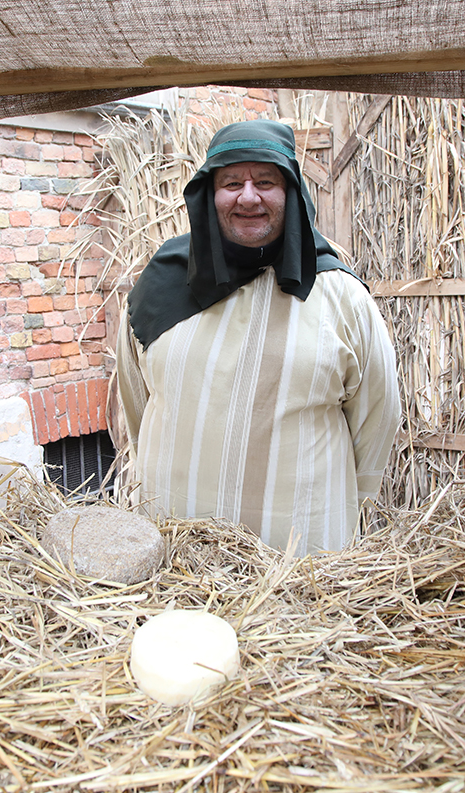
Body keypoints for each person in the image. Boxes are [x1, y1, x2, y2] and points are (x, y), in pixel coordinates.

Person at [115, 119, 401, 556]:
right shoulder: (160, 287)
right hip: (176, 558)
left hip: (301, 559)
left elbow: (377, 417)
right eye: (231, 182)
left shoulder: (341, 297)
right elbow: (138, 404)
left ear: (291, 193)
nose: (248, 196)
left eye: (265, 181)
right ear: (209, 195)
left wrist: (346, 504)